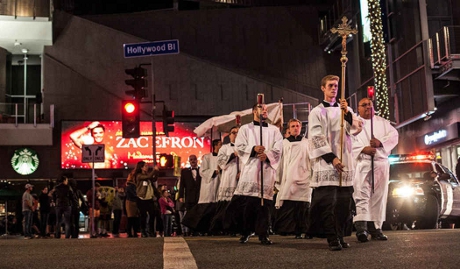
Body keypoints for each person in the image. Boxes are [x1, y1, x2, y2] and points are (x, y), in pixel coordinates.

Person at [307, 75, 362, 251]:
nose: (334, 88)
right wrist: (332, 158)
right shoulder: (316, 112)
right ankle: (331, 238)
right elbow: (316, 137)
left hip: (345, 162)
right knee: (328, 205)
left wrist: (346, 114)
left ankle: (340, 234)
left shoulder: (345, 109)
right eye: (330, 85)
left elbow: (356, 129)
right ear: (322, 88)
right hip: (328, 163)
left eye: (336, 86)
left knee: (343, 206)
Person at [224, 103, 283, 245]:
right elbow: (239, 146)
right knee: (249, 205)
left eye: (266, 109)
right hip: (250, 169)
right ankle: (246, 232)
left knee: (264, 205)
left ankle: (263, 234)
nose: (264, 110)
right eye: (261, 108)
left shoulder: (274, 130)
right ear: (253, 111)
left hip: (266, 171)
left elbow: (279, 148)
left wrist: (268, 156)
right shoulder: (245, 129)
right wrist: (254, 149)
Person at [352, 97, 399, 242]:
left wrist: (380, 143)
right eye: (364, 105)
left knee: (379, 196)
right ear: (358, 108)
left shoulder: (383, 122)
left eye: (369, 105)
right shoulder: (354, 123)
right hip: (363, 163)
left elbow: (394, 136)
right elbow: (349, 142)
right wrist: (363, 149)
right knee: (362, 194)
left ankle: (376, 228)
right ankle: (362, 228)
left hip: (380, 163)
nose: (367, 107)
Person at [274, 119, 312, 239]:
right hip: (289, 176)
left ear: (301, 128)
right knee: (289, 203)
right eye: (293, 126)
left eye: (297, 126)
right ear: (289, 129)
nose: (295, 128)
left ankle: (302, 230)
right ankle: (287, 229)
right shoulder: (283, 143)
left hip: (304, 177)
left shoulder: (307, 142)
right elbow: (280, 162)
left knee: (303, 205)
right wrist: (278, 177)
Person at [182, 139, 222, 234]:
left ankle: (214, 229)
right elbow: (202, 171)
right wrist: (214, 172)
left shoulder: (222, 157)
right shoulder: (207, 157)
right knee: (205, 209)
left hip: (219, 184)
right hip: (209, 185)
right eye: (220, 144)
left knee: (215, 208)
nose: (222, 146)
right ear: (215, 146)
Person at [210, 126, 241, 233]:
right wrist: (232, 155)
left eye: (238, 133)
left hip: (242, 178)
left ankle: (240, 227)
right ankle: (226, 227)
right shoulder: (225, 148)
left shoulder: (245, 147)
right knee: (227, 204)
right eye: (234, 133)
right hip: (229, 177)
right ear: (229, 135)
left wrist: (242, 171)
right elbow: (220, 162)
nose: (236, 135)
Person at [132, 161, 160, 237]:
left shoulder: (147, 175)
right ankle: (143, 230)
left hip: (149, 198)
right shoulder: (139, 176)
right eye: (145, 166)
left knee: (152, 214)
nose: (147, 167)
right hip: (142, 198)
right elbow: (149, 177)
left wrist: (156, 172)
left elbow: (153, 179)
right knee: (143, 215)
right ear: (141, 167)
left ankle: (151, 230)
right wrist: (154, 170)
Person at [178, 155, 202, 236]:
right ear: (189, 161)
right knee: (190, 214)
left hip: (200, 196)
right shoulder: (185, 171)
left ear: (196, 160)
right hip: (189, 197)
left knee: (198, 214)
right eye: (191, 159)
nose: (193, 161)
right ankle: (190, 231)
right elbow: (182, 185)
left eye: (194, 159)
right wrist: (180, 196)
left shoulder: (201, 170)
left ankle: (197, 230)